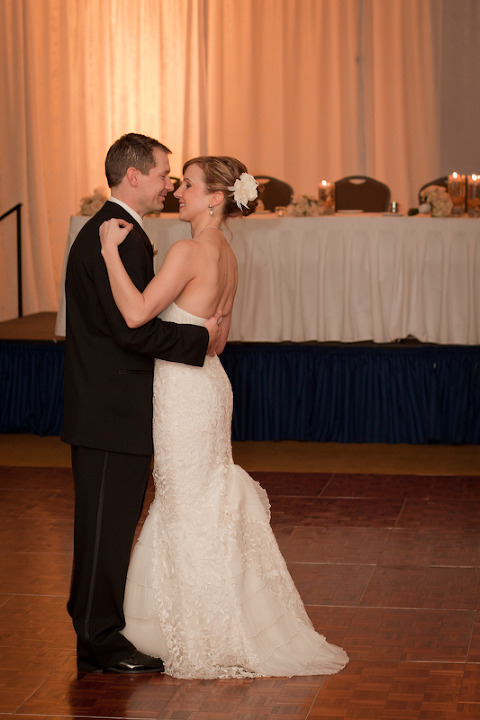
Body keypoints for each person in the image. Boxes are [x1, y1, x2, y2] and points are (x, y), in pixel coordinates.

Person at [99, 155, 349, 679]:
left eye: (187, 185)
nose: (178, 192)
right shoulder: (227, 254)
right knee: (199, 500)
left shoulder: (190, 250)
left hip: (184, 392)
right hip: (210, 385)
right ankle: (217, 617)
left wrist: (107, 254)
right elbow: (218, 340)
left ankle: (201, 628)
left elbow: (135, 314)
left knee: (186, 504)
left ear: (215, 198)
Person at [62, 133, 222, 675]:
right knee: (106, 528)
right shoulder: (118, 236)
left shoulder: (117, 232)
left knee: (107, 525)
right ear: (134, 176)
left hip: (110, 408)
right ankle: (100, 638)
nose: (169, 185)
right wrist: (198, 342)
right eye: (162, 175)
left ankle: (96, 631)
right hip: (111, 411)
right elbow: (129, 331)